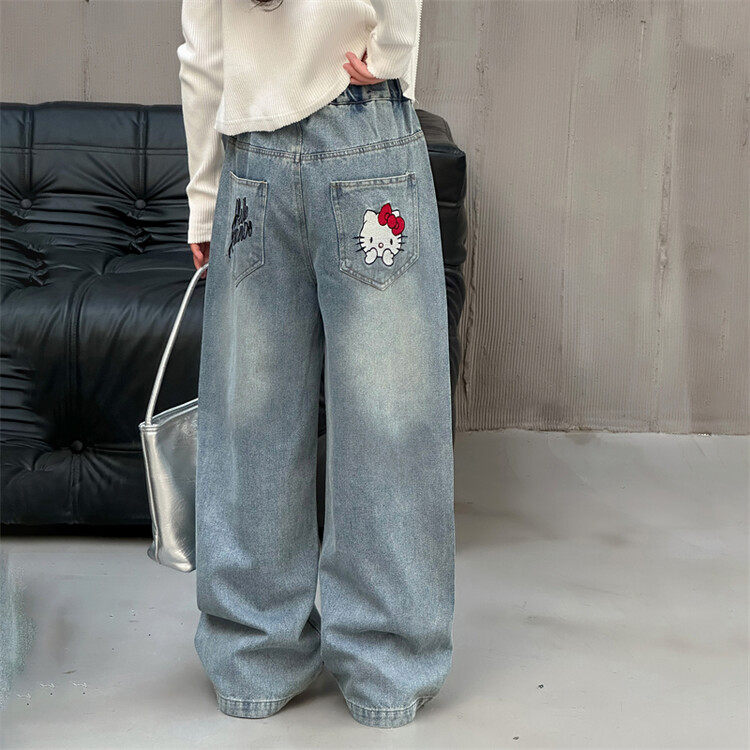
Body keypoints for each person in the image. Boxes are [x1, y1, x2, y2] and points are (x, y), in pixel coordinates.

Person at [177, 0, 455, 729]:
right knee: (391, 421)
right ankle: (388, 667)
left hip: (253, 162)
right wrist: (390, 64)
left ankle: (253, 658)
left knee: (250, 422)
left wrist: (204, 199)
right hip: (364, 134)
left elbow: (203, 52)